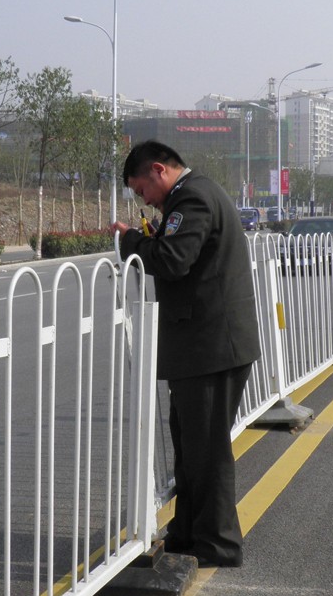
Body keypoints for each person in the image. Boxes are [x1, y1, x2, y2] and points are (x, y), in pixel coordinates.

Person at [111, 140, 260, 567]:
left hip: (211, 348)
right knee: (193, 445)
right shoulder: (194, 195)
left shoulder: (192, 198)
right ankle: (189, 533)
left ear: (159, 170)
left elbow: (174, 259)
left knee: (207, 450)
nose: (145, 200)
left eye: (142, 189)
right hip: (206, 347)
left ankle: (217, 543)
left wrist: (132, 241)